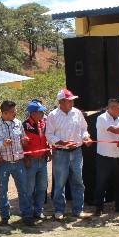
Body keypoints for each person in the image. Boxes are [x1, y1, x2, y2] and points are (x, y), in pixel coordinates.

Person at [45, 89, 93, 220]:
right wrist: (62, 142)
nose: (72, 102)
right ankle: (59, 210)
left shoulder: (77, 113)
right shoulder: (53, 115)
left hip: (77, 152)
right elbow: (48, 134)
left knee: (78, 181)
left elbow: (84, 128)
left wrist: (86, 138)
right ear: (61, 102)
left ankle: (78, 210)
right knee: (60, 183)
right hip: (60, 153)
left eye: (72, 100)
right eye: (69, 100)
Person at [0, 100, 29, 226]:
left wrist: (25, 140)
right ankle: (4, 217)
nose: (15, 113)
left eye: (15, 111)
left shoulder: (18, 123)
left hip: (19, 162)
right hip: (3, 164)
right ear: (4, 113)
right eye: (12, 112)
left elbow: (23, 139)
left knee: (23, 190)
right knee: (2, 190)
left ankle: (26, 215)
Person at [22, 99, 50, 222]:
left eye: (42, 112)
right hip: (30, 161)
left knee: (42, 187)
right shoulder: (24, 126)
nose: (42, 114)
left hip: (42, 160)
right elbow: (20, 144)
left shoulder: (43, 124)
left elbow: (45, 140)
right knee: (29, 189)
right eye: (40, 112)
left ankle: (38, 211)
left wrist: (48, 150)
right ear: (32, 113)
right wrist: (25, 157)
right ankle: (27, 213)